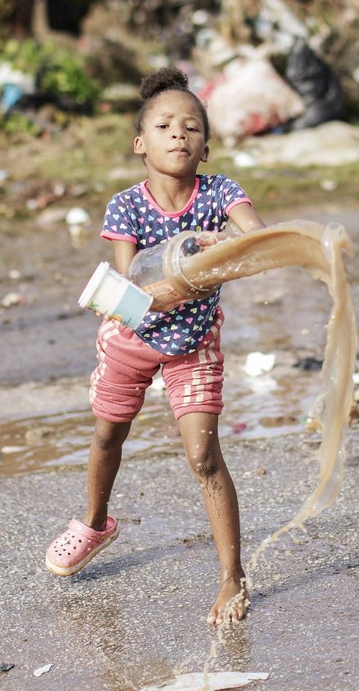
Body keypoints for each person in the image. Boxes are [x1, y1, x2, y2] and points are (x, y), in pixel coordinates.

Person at [45, 68, 265, 626]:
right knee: (106, 435)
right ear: (140, 144)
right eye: (164, 126)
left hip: (193, 342)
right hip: (130, 340)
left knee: (204, 456)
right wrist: (187, 254)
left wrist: (230, 244)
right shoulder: (126, 206)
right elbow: (133, 286)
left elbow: (257, 239)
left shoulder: (220, 194)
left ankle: (232, 577)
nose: (178, 135)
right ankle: (94, 523)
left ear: (206, 146)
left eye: (191, 127)